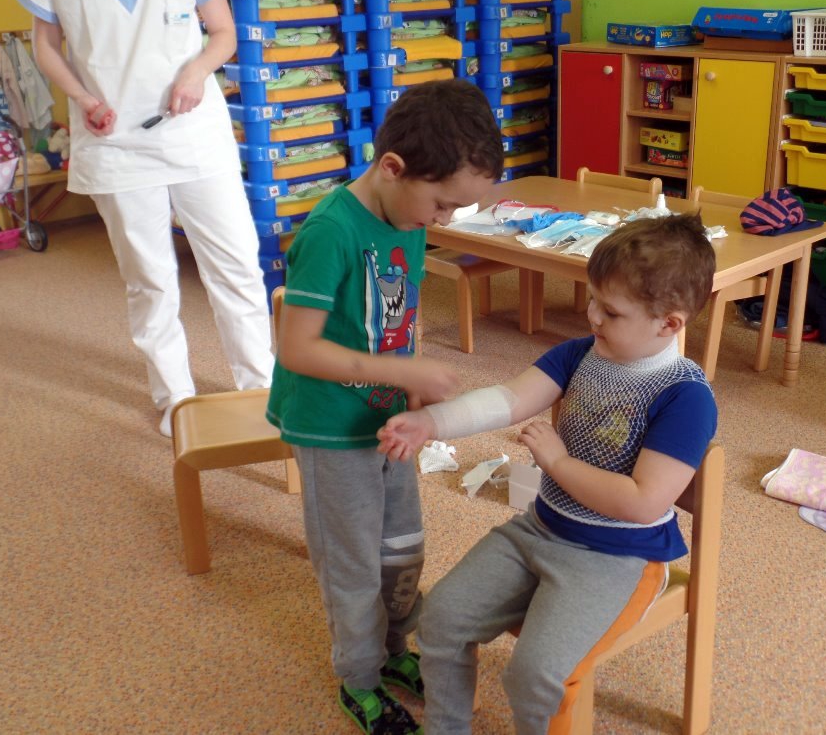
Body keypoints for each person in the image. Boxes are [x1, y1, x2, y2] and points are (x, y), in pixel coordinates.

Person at [377, 212, 719, 735]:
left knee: (536, 675)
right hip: (540, 530)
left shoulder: (686, 397)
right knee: (441, 618)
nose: (592, 317)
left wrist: (558, 463)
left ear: (669, 324)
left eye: (611, 311)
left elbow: (644, 502)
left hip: (617, 558)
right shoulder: (581, 354)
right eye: (592, 300)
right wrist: (431, 421)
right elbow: (509, 399)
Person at [267, 79, 503, 735]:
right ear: (393, 168)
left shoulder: (409, 219)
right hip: (329, 429)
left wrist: (413, 389)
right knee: (353, 567)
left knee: (401, 552)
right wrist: (402, 372)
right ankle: (359, 678)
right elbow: (297, 347)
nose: (444, 220)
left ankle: (394, 649)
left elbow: (398, 319)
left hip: (386, 423)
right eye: (442, 204)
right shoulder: (331, 231)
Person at [7, 0, 274, 436]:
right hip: (113, 140)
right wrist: (83, 98)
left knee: (237, 265)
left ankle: (262, 386)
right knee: (149, 279)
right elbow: (46, 47)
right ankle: (175, 397)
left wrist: (196, 72)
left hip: (194, 133)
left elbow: (224, 32)